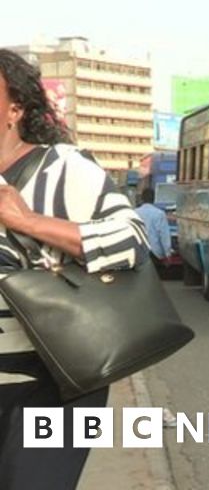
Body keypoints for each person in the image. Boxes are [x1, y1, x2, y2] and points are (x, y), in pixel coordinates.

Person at [0, 49, 148, 488]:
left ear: (15, 108)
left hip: (59, 380)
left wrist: (26, 222)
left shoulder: (64, 167)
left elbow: (133, 241)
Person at [137, 187, 173, 266]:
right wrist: (167, 254)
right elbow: (164, 236)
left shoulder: (134, 213)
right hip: (155, 254)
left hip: (138, 253)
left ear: (142, 199)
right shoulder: (159, 214)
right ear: (154, 199)